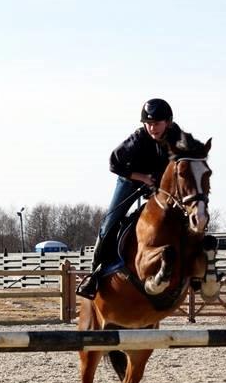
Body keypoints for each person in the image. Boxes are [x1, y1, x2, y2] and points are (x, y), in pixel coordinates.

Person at [76, 98, 185, 299]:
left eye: (157, 123)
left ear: (168, 122)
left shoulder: (177, 136)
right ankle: (95, 275)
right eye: (148, 123)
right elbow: (113, 162)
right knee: (110, 221)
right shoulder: (138, 138)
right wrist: (141, 177)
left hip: (160, 184)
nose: (152, 128)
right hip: (130, 180)